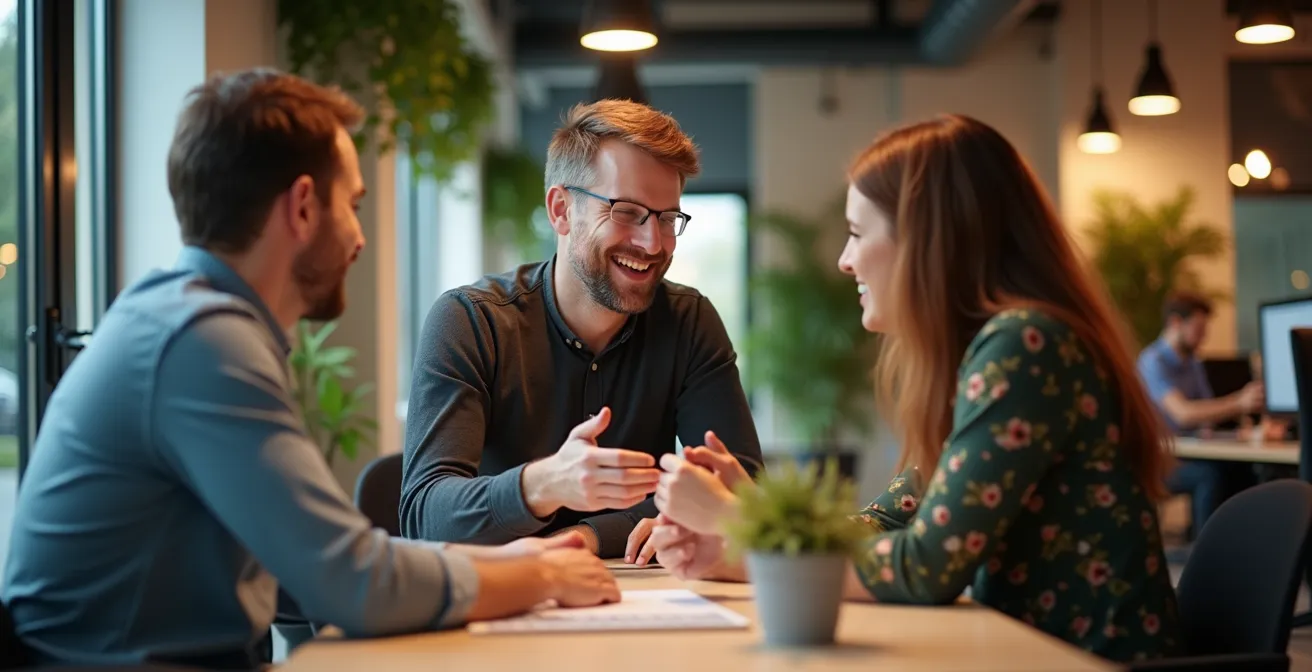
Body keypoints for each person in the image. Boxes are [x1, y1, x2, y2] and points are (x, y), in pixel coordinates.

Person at [1, 69, 619, 669]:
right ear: (302, 207)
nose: (360, 236)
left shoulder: (183, 319)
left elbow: (312, 566)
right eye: (352, 204)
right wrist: (540, 574)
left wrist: (518, 566)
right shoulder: (202, 343)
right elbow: (352, 583)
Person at [649, 114, 1182, 662]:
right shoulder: (985, 357)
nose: (844, 260)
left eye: (858, 233)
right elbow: (887, 522)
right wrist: (763, 521)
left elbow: (930, 565)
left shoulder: (1026, 344)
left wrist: (738, 529)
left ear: (928, 238)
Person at [401, 99, 764, 563]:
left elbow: (740, 489)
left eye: (668, 218)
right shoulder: (470, 322)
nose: (653, 243)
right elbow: (424, 516)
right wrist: (547, 483)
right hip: (497, 604)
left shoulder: (689, 321)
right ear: (561, 210)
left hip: (640, 609)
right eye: (627, 211)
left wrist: (591, 538)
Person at [1136, 292, 1264, 536]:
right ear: (1175, 323)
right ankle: (1205, 555)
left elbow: (1206, 412)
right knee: (1209, 476)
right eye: (1199, 328)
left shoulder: (1193, 363)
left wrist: (1243, 429)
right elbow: (1183, 414)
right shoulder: (1151, 362)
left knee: (1242, 470)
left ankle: (1239, 547)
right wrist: (1239, 402)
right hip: (1160, 461)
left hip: (1190, 451)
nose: (1204, 336)